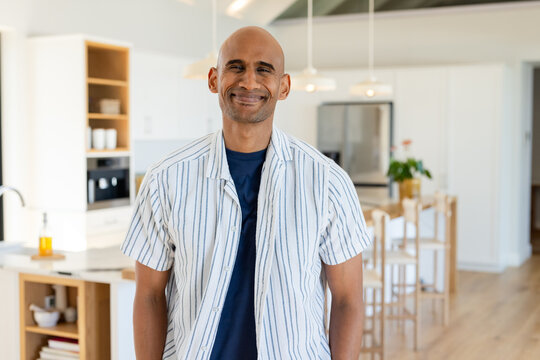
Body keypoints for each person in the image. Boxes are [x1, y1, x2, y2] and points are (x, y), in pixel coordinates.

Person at [121, 26, 371, 360]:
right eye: (236, 67)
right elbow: (149, 295)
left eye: (263, 70)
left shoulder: (328, 183)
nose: (249, 83)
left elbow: (348, 301)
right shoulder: (165, 179)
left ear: (283, 87)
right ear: (213, 80)